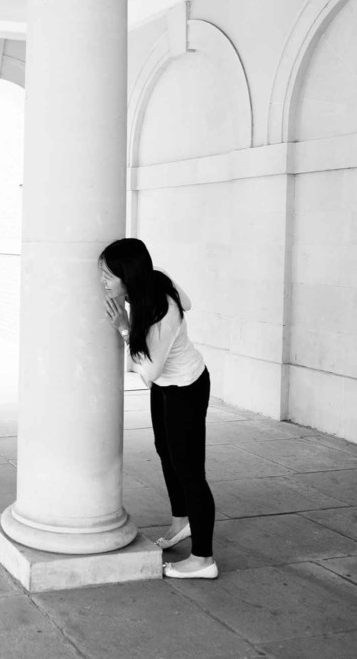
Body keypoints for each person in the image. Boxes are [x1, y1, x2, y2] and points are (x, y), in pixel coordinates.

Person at [100, 238, 218, 580]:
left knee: (190, 470)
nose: (103, 282)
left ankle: (203, 558)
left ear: (127, 275)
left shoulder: (160, 311)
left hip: (186, 388)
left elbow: (149, 375)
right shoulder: (154, 281)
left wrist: (124, 327)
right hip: (169, 385)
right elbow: (191, 301)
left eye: (108, 275)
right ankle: (182, 521)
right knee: (165, 451)